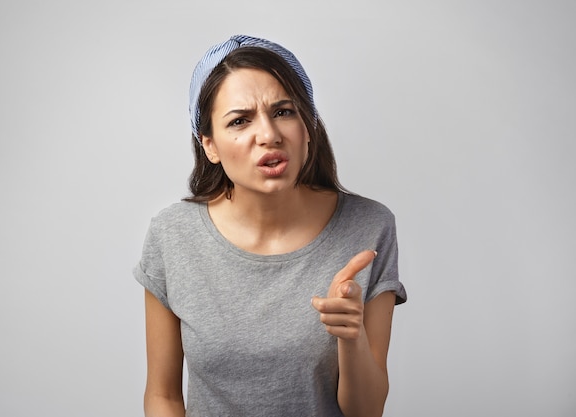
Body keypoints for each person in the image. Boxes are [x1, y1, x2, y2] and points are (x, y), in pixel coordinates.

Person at [134, 34, 407, 417]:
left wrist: (351, 337)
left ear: (308, 125)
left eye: (283, 112)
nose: (269, 135)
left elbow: (367, 411)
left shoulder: (369, 226)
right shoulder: (172, 235)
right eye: (240, 121)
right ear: (209, 145)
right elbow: (163, 396)